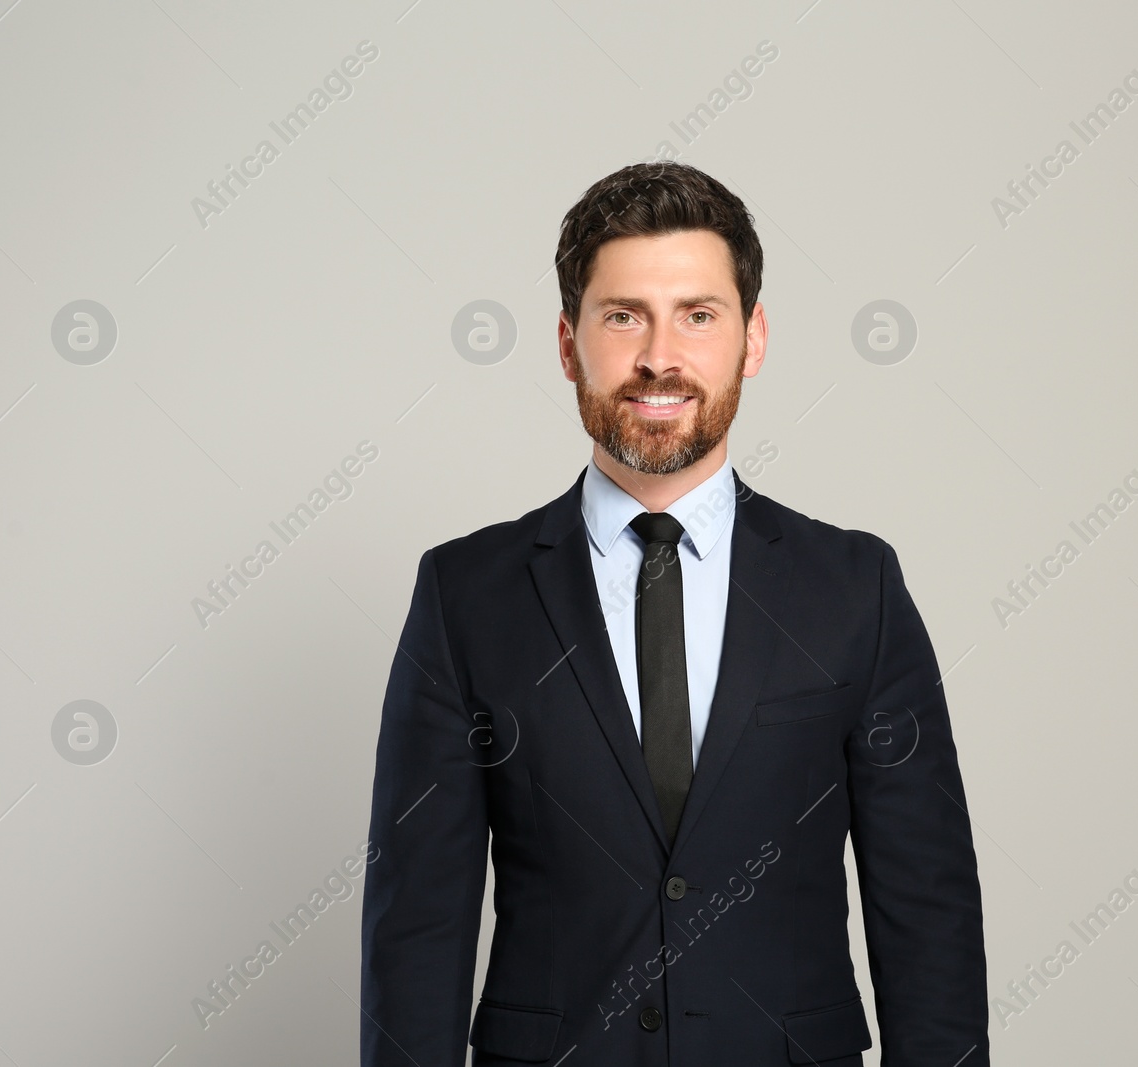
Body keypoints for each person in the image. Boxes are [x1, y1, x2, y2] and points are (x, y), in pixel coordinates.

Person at [360, 161, 987, 1066]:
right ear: (569, 343)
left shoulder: (857, 588)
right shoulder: (466, 595)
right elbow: (416, 924)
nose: (661, 355)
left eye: (698, 314)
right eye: (625, 317)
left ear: (753, 337)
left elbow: (928, 910)